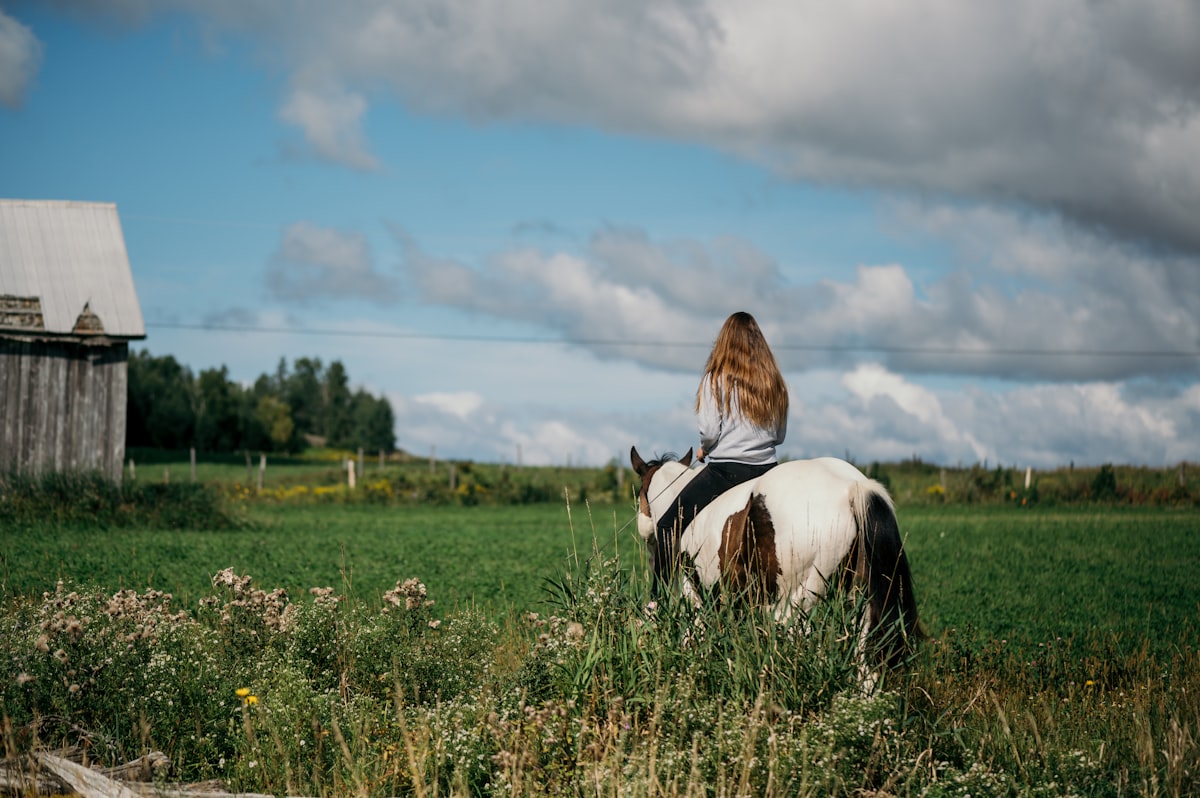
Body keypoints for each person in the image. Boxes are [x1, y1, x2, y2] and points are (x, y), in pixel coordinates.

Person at [654, 311, 789, 586]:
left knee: (666, 526)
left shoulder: (715, 380)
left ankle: (659, 602)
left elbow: (709, 432)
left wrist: (705, 449)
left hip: (726, 472)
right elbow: (778, 436)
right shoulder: (774, 382)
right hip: (768, 472)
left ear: (724, 341)